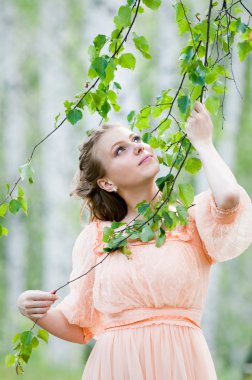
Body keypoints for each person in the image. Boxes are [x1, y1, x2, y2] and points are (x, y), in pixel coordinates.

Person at [17, 102, 252, 379]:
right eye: (120, 150)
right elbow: (80, 328)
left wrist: (203, 142)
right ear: (106, 183)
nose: (138, 147)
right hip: (116, 368)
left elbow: (229, 199)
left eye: (136, 139)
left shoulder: (191, 219)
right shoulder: (97, 239)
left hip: (183, 365)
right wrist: (32, 310)